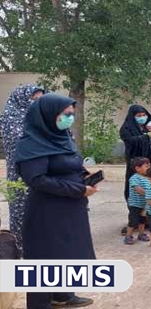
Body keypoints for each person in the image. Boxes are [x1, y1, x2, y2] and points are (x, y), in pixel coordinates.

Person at [14, 93, 97, 308]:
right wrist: (78, 189)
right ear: (48, 115)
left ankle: (62, 294)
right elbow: (37, 179)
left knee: (66, 252)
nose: (70, 118)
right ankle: (40, 303)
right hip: (47, 210)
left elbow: (71, 162)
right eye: (66, 114)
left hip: (70, 206)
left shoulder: (62, 137)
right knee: (46, 255)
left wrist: (85, 176)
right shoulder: (32, 143)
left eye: (72, 114)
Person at [0, 84, 44, 252]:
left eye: (41, 99)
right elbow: (20, 144)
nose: (37, 103)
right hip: (19, 174)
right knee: (21, 211)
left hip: (40, 174)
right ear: (22, 99)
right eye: (35, 99)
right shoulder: (11, 118)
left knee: (39, 211)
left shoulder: (36, 118)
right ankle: (21, 248)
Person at [119, 104, 151, 232]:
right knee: (136, 193)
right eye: (139, 116)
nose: (142, 118)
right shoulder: (126, 129)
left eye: (144, 115)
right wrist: (149, 135)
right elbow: (131, 142)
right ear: (133, 116)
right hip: (138, 166)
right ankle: (136, 222)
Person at [124, 157, 151, 245]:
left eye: (149, 166)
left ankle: (141, 234)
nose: (149, 168)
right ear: (137, 168)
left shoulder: (148, 178)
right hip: (135, 204)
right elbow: (138, 189)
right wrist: (150, 194)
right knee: (133, 221)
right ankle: (128, 235)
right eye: (146, 166)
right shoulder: (134, 178)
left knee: (142, 220)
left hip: (144, 204)